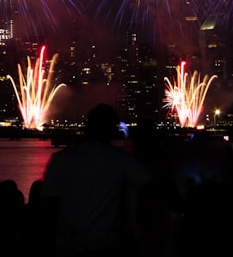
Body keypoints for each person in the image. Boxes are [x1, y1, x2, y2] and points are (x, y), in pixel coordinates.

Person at [39, 103, 152, 257]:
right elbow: (150, 185)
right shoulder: (121, 159)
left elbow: (47, 205)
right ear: (112, 130)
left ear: (87, 127)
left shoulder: (60, 159)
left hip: (68, 245)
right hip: (106, 245)